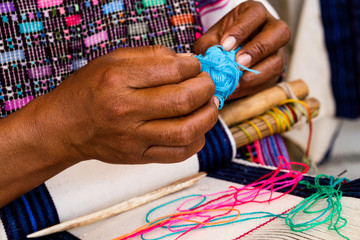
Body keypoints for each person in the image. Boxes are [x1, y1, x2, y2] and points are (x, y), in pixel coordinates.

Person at [0, 0, 290, 207]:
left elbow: (231, 17)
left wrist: (249, 48)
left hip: (234, 173)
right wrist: (61, 129)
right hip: (30, 210)